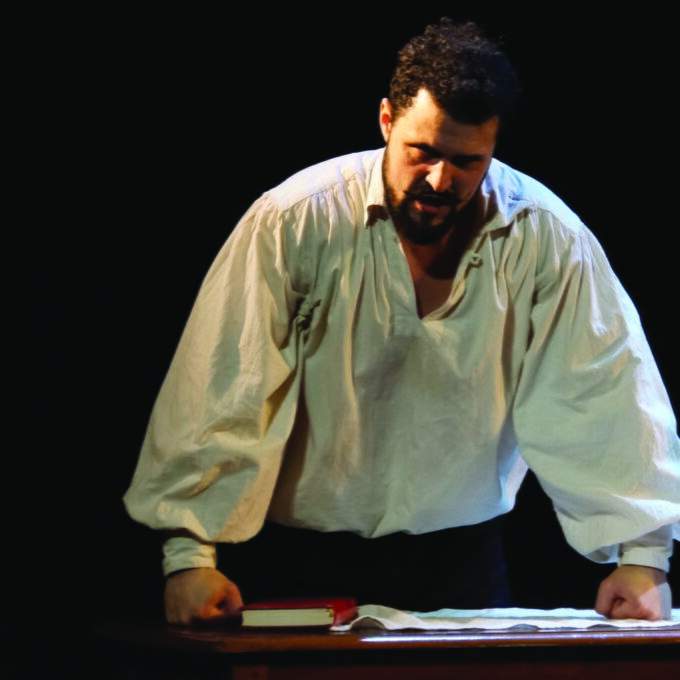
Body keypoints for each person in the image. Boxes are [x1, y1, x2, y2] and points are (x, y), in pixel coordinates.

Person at [125, 19, 680, 625]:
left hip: (462, 562)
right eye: (424, 152)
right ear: (387, 120)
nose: (440, 180)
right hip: (299, 559)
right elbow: (224, 382)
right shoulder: (297, 219)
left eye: (467, 161)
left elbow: (603, 388)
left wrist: (642, 559)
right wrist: (188, 556)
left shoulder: (544, 236)